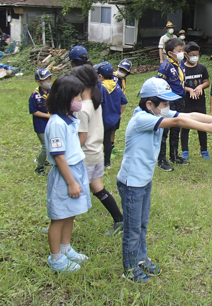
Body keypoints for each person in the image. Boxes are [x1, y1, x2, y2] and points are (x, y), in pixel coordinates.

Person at [117, 77, 212, 283]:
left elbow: (189, 115)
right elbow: (177, 121)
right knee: (133, 228)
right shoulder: (141, 119)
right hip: (131, 184)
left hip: (144, 181)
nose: (168, 107)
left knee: (142, 224)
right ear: (150, 104)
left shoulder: (154, 112)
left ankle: (140, 259)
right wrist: (211, 130)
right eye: (164, 104)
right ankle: (130, 269)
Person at [44, 74, 91, 273]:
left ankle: (65, 248)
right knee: (59, 217)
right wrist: (71, 182)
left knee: (70, 213)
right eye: (77, 97)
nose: (80, 101)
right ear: (65, 98)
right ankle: (56, 259)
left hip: (75, 169)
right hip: (66, 174)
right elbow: (59, 157)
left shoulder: (69, 118)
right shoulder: (56, 123)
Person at [73, 65, 124, 237]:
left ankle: (61, 225)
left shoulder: (81, 108)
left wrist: (66, 155)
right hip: (97, 153)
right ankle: (119, 218)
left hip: (85, 156)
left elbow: (81, 137)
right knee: (98, 188)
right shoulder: (94, 102)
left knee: (73, 192)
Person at [156, 38, 187, 170]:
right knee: (165, 131)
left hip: (180, 100)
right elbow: (158, 85)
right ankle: (162, 160)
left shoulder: (180, 64)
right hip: (169, 102)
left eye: (182, 50)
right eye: (179, 51)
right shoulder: (166, 67)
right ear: (170, 53)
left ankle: (174, 155)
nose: (182, 53)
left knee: (176, 128)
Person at [181, 41, 210, 159]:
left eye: (196, 54)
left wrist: (200, 86)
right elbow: (178, 85)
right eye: (192, 54)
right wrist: (189, 90)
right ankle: (184, 151)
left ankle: (204, 150)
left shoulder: (201, 67)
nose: (194, 57)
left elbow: (207, 82)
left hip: (200, 102)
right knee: (185, 126)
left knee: (201, 126)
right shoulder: (181, 68)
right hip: (186, 102)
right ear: (185, 54)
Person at [96, 62, 128, 168]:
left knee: (98, 140)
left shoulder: (101, 88)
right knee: (108, 140)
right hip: (112, 119)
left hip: (101, 118)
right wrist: (119, 113)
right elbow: (124, 101)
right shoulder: (116, 86)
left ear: (100, 76)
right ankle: (107, 162)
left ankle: (97, 161)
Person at [29, 68, 52, 176]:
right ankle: (39, 167)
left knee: (51, 143)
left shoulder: (51, 92)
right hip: (40, 124)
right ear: (38, 82)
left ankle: (42, 159)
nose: (48, 81)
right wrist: (47, 116)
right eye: (45, 79)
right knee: (45, 146)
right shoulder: (35, 95)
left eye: (49, 78)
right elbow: (33, 111)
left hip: (51, 123)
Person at [111, 59, 132, 156]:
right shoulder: (112, 77)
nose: (121, 72)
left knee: (114, 128)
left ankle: (112, 146)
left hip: (117, 106)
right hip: (111, 105)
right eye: (120, 69)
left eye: (124, 71)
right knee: (108, 128)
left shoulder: (123, 79)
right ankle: (106, 148)